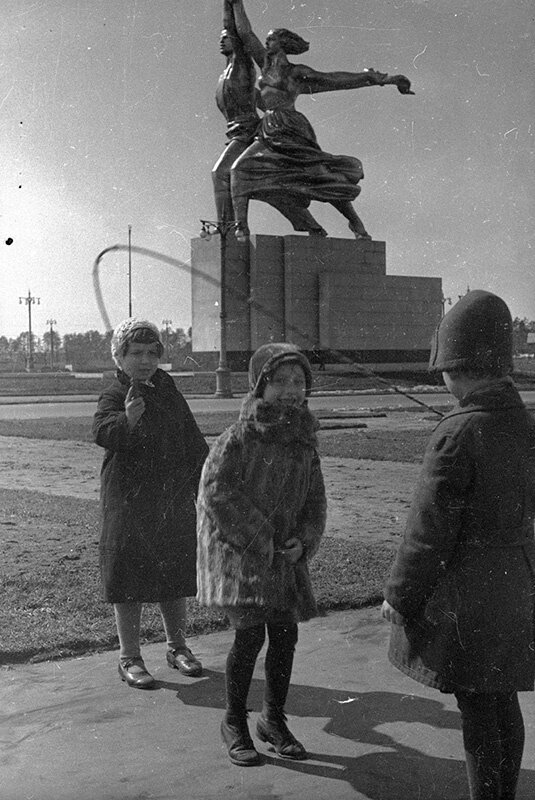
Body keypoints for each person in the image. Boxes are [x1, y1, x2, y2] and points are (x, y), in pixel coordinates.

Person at [381, 290, 535, 800]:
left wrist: (400, 597)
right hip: (515, 582)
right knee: (502, 700)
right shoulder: (523, 423)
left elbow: (427, 533)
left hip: (468, 594)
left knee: (476, 709)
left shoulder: (455, 433)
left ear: (456, 369)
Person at [196, 342, 327, 765]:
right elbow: (216, 492)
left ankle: (273, 718)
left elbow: (315, 501)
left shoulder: (304, 443)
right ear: (260, 386)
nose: (291, 390)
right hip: (243, 558)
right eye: (280, 382)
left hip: (284, 560)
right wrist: (262, 538)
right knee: (250, 635)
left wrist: (303, 540)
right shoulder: (238, 438)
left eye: (299, 381)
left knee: (285, 635)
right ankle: (234, 720)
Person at [228, 0, 413, 242]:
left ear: (282, 45)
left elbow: (335, 79)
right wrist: (236, 4)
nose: (266, 42)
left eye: (271, 39)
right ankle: (241, 227)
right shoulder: (264, 65)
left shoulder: (296, 72)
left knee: (319, 176)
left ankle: (355, 222)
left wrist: (378, 78)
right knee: (239, 169)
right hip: (268, 129)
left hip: (291, 128)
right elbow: (245, 33)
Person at [93, 318, 209, 689]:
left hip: (169, 499)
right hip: (128, 501)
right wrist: (127, 419)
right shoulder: (115, 392)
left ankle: (177, 647)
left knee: (173, 574)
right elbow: (101, 431)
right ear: (120, 356)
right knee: (128, 576)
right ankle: (129, 656)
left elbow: (191, 438)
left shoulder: (168, 388)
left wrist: (205, 481)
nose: (144, 360)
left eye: (151, 352)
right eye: (135, 353)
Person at [212, 0, 327, 235]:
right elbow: (230, 27)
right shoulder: (227, 69)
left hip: (250, 130)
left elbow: (239, 29)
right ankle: (310, 224)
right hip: (239, 131)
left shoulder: (242, 62)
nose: (221, 39)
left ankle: (229, 228)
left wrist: (234, 5)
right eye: (221, 36)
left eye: (226, 37)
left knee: (223, 172)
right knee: (271, 187)